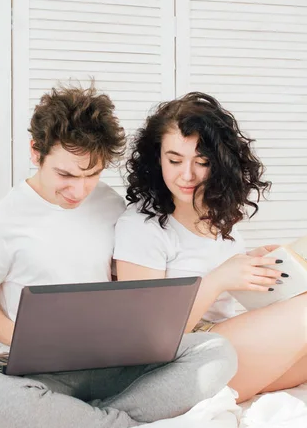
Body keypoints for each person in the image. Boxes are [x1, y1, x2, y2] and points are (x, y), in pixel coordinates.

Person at [0, 84, 237, 428]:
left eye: (92, 174)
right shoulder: (1, 224)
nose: (79, 190)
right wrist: (31, 343)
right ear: (35, 152)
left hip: (118, 362)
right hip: (47, 370)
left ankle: (87, 421)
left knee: (217, 352)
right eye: (66, 175)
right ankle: (127, 424)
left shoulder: (109, 203)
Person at [114, 91, 307, 404]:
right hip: (174, 364)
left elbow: (228, 303)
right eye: (174, 160)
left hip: (220, 343)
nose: (186, 175)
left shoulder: (218, 217)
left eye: (201, 162)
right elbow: (144, 341)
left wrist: (256, 270)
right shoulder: (142, 225)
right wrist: (219, 279)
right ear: (156, 157)